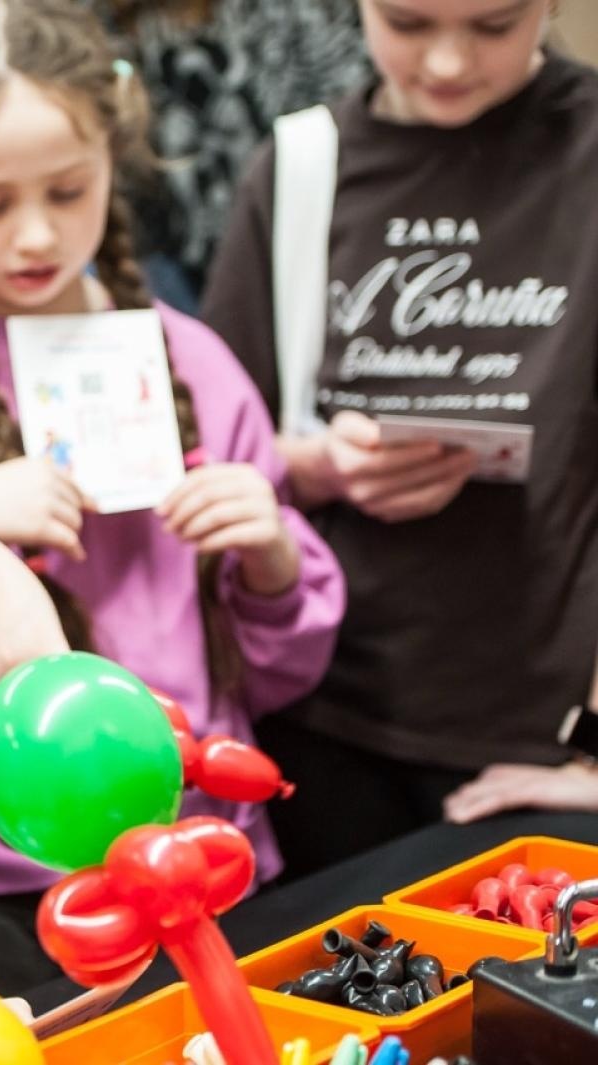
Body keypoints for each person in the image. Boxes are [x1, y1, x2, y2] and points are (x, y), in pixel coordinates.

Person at [0, 0, 344, 993]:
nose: (35, 234)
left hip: (217, 857)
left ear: (113, 168)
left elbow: (283, 675)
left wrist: (271, 555)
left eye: (68, 191)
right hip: (17, 889)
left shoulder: (194, 362)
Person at [202, 0, 598, 875]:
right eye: (409, 23)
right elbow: (219, 450)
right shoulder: (303, 166)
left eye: (493, 26)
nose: (449, 62)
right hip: (324, 722)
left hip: (550, 731)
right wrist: (317, 467)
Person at [90, 0, 370, 309]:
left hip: (297, 240)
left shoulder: (296, 14)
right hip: (160, 257)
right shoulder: (93, 26)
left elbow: (348, 126)